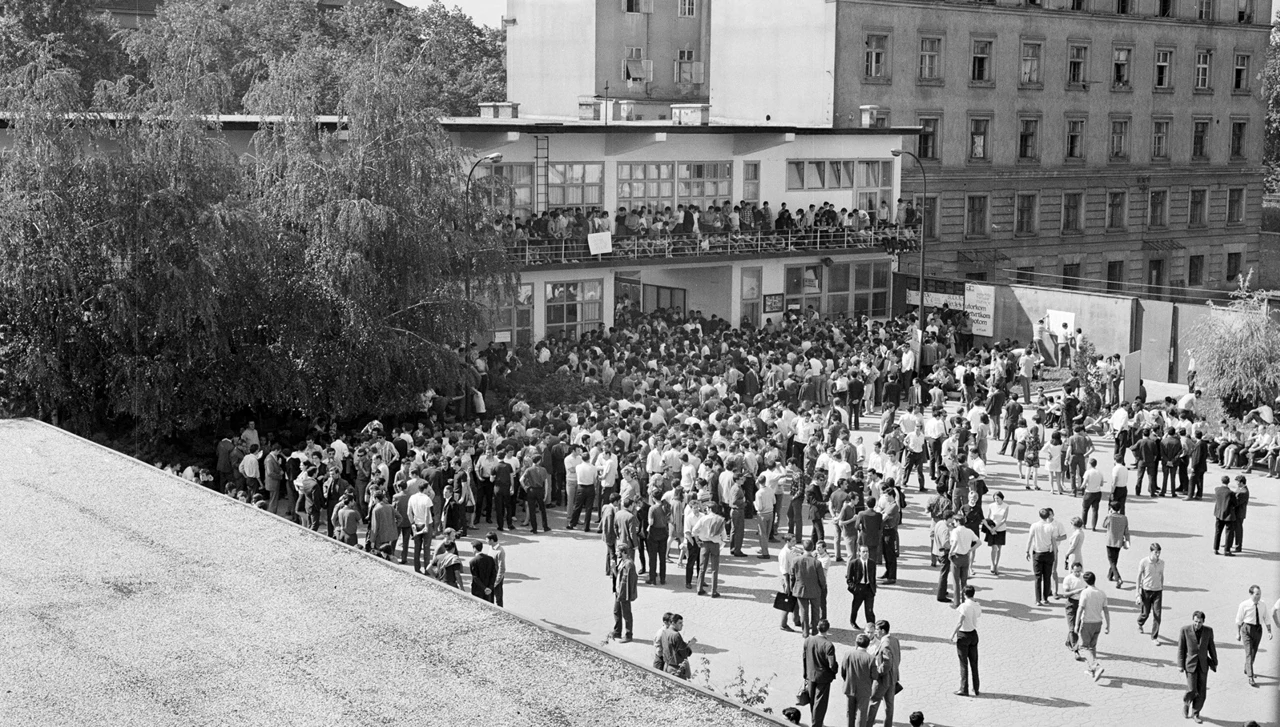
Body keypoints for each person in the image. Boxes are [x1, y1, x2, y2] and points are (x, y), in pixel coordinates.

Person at [1177, 610, 1218, 723]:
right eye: (1195, 621)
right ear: (1193, 620)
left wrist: (1215, 661)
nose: (1197, 624)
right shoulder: (1185, 630)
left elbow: (1211, 647)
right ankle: (1186, 704)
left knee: (1202, 692)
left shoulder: (1208, 631)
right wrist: (1180, 664)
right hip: (1190, 664)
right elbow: (1181, 648)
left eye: (1200, 622)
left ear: (1203, 621)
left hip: (1203, 665)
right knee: (1192, 689)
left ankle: (1196, 713)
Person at [1074, 571, 1110, 682]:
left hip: (1087, 623)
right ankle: (1091, 670)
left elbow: (1080, 609)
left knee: (1084, 647)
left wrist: (1076, 624)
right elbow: (1106, 610)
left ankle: (1096, 666)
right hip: (1098, 623)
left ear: (1085, 581)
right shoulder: (1102, 593)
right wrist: (1108, 625)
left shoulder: (1085, 593)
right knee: (1092, 646)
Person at [802, 619, 839, 727]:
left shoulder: (808, 640)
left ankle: (815, 721)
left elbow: (804, 657)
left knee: (812, 700)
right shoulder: (828, 645)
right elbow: (832, 664)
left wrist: (805, 673)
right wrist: (835, 670)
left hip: (810, 674)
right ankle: (817, 724)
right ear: (828, 630)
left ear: (817, 627)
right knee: (820, 703)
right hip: (823, 677)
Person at [1234, 585, 1272, 686]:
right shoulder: (1244, 605)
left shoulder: (1262, 604)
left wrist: (1269, 632)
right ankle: (1250, 677)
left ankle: (1247, 668)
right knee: (1249, 653)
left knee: (1254, 651)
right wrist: (1238, 633)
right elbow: (1238, 620)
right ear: (1251, 594)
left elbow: (1266, 618)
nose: (1259, 596)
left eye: (1260, 594)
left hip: (1258, 630)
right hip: (1247, 629)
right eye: (1257, 594)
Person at [867, 619, 901, 727]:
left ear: (882, 630)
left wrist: (877, 672)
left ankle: (867, 724)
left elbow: (887, 664)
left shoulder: (885, 644)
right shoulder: (894, 640)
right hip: (893, 678)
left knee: (873, 702)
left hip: (883, 679)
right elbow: (898, 658)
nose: (875, 632)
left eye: (877, 629)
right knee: (889, 705)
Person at [791, 538, 827, 636]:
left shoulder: (796, 560)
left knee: (804, 612)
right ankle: (815, 631)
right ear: (812, 548)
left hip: (801, 590)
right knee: (815, 611)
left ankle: (805, 632)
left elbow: (792, 576)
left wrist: (793, 588)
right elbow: (822, 579)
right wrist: (822, 588)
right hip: (815, 590)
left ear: (803, 548)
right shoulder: (817, 563)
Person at [840, 632, 877, 727]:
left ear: (856, 643)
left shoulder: (848, 654)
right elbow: (874, 676)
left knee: (850, 712)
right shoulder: (871, 658)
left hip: (850, 687)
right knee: (862, 713)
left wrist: (847, 680)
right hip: (864, 690)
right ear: (868, 645)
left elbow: (843, 671)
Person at [951, 585, 981, 697]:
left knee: (963, 663)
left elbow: (960, 622)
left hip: (963, 635)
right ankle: (976, 688)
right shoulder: (977, 605)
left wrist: (952, 634)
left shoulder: (964, 606)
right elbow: (978, 615)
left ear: (964, 594)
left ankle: (964, 688)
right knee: (974, 663)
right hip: (973, 634)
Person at [1027, 507, 1061, 606]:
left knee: (1038, 577)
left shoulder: (1034, 525)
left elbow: (1030, 539)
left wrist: (1027, 550)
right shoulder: (1051, 527)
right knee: (1047, 576)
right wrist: (1055, 553)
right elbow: (1053, 542)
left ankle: (1038, 599)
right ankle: (1045, 598)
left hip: (1037, 553)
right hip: (1048, 553)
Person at [694, 502, 726, 597]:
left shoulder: (703, 518)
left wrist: (698, 539)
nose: (706, 510)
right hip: (715, 545)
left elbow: (694, 530)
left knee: (702, 568)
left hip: (704, 544)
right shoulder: (719, 520)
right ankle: (714, 591)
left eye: (707, 508)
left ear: (710, 509)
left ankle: (699, 589)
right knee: (714, 569)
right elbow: (724, 536)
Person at [948, 515, 980, 608]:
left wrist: (950, 552)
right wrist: (971, 549)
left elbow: (955, 542)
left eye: (955, 521)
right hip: (966, 557)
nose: (954, 522)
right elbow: (979, 542)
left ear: (958, 521)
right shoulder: (969, 531)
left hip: (957, 557)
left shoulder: (955, 531)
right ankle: (965, 601)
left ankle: (956, 603)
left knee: (956, 581)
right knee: (964, 581)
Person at [1136, 543, 1164, 641]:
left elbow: (1161, 575)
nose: (1158, 554)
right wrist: (1137, 592)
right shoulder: (1144, 562)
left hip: (1158, 591)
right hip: (1146, 590)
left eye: (1159, 552)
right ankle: (1140, 623)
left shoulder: (1161, 563)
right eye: (1156, 552)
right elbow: (1139, 577)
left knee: (1157, 614)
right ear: (1151, 552)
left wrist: (1161, 586)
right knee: (1145, 613)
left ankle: (1154, 637)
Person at [846, 544, 877, 629]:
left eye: (867, 551)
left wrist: (874, 589)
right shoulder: (854, 563)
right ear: (859, 553)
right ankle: (853, 621)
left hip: (869, 589)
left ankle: (871, 626)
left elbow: (873, 577)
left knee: (869, 610)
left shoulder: (872, 563)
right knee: (855, 607)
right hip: (859, 588)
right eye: (863, 552)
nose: (866, 553)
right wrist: (854, 588)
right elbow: (849, 579)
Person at [612, 544, 638, 642]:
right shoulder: (621, 562)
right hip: (619, 592)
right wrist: (613, 569)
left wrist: (627, 595)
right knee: (616, 611)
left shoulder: (629, 564)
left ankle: (628, 635)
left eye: (617, 551)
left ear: (623, 552)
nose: (616, 553)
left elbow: (630, 581)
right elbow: (618, 576)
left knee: (626, 614)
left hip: (624, 593)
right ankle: (617, 632)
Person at [658, 613, 696, 679]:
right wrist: (689, 645)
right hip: (676, 668)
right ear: (673, 623)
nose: (682, 625)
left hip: (666, 666)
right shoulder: (676, 635)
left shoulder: (665, 632)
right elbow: (684, 652)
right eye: (680, 623)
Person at [1100, 501, 1129, 587]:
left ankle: (1118, 578)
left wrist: (1108, 514)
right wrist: (1127, 542)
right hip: (1119, 542)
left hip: (1110, 541)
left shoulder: (1110, 516)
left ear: (1111, 508)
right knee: (1115, 559)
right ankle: (1110, 575)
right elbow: (1126, 531)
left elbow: (1103, 525)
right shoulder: (1124, 518)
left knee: (1111, 561)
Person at [1062, 561, 1086, 655]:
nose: (1077, 573)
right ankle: (1076, 650)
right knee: (1073, 628)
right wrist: (1076, 591)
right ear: (1072, 570)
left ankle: (1069, 641)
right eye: (1076, 571)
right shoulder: (1068, 579)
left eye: (1079, 571)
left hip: (1081, 604)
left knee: (1077, 626)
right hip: (1071, 603)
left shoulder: (1084, 578)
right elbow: (1065, 594)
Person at [983, 491, 1008, 575]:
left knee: (999, 548)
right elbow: (989, 517)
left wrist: (997, 527)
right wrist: (991, 528)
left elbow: (1004, 519)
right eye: (995, 498)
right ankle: (992, 564)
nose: (996, 500)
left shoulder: (1006, 506)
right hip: (992, 529)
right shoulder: (991, 506)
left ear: (1001, 498)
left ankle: (997, 564)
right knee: (994, 548)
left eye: (998, 498)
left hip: (1001, 529)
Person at [1211, 476, 1237, 556]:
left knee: (1218, 531)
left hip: (1219, 513)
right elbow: (1235, 503)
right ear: (1228, 482)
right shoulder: (1231, 493)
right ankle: (1227, 550)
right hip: (1228, 515)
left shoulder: (1217, 490)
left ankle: (1215, 548)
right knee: (1229, 533)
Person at [1080, 458, 1104, 529]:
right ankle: (1094, 526)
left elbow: (1084, 483)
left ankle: (1084, 524)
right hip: (1097, 492)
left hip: (1089, 492)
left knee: (1085, 509)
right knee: (1095, 510)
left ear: (1090, 464)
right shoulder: (1099, 472)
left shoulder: (1088, 472)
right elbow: (1101, 484)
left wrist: (1081, 487)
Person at [487, 531, 506, 607]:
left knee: (498, 597)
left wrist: (497, 581)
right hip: (490, 575)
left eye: (487, 539)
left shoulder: (500, 551)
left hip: (496, 577)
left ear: (492, 540)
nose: (486, 541)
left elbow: (502, 568)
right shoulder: (490, 548)